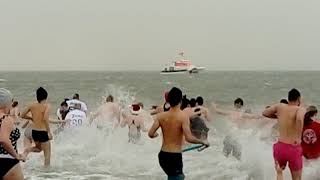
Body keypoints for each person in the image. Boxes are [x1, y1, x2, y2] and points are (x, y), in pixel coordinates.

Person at [148, 87, 209, 180]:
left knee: (176, 176)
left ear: (168, 100)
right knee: (178, 177)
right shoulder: (183, 117)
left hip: (163, 156)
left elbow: (151, 134)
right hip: (174, 157)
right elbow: (189, 138)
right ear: (180, 101)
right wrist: (202, 141)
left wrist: (156, 135)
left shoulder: (160, 116)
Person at [263, 88, 306, 180]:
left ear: (289, 98)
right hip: (293, 148)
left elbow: (265, 113)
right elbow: (299, 119)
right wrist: (298, 137)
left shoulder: (280, 106)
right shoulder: (300, 109)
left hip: (280, 147)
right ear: (298, 99)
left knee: (279, 173)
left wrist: (277, 117)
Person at [20, 87, 52, 166]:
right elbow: (45, 118)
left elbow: (22, 115)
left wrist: (31, 118)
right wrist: (49, 132)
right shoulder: (47, 106)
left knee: (38, 149)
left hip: (34, 132)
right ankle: (46, 174)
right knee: (47, 156)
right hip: (43, 132)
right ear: (46, 96)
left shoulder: (32, 105)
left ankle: (27, 150)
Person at [0, 88, 24, 180]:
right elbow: (3, 140)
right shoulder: (6, 118)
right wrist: (16, 155)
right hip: (8, 161)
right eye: (11, 101)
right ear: (6, 102)